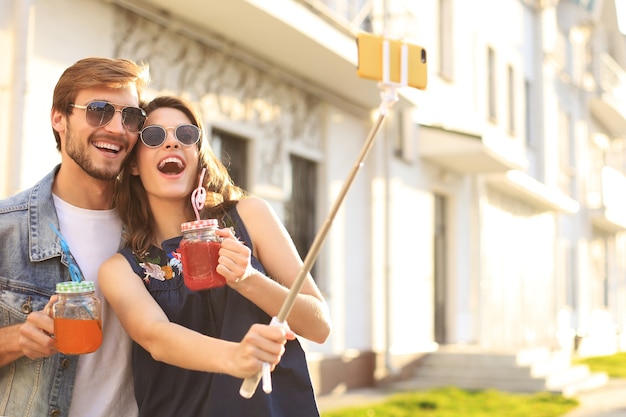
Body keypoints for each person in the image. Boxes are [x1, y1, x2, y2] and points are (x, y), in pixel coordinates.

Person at [98, 95, 332, 417]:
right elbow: (157, 337)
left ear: (198, 153)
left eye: (185, 135)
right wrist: (237, 357)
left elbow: (319, 325)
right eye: (153, 137)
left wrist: (249, 280)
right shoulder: (122, 269)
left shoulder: (250, 216)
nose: (171, 144)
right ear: (135, 164)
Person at [0, 57, 150, 417]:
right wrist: (18, 338)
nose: (117, 128)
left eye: (130, 117)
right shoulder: (6, 230)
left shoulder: (151, 231)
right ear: (58, 118)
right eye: (99, 111)